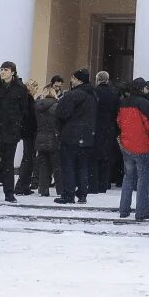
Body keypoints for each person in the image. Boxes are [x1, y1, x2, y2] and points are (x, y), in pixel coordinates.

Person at [0, 61, 33, 204]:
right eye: (2, 69)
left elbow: (24, 110)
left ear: (13, 72)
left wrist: (19, 128)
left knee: (8, 163)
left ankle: (9, 193)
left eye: (6, 70)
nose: (3, 72)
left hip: (11, 131)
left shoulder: (20, 88)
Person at [117, 78, 149, 220]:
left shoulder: (123, 102)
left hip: (126, 144)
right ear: (142, 88)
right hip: (142, 144)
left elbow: (118, 121)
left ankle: (124, 210)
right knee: (144, 179)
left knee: (128, 177)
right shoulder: (145, 103)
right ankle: (142, 211)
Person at [54, 68, 96, 204]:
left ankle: (68, 194)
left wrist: (60, 129)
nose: (71, 80)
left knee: (69, 166)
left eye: (72, 78)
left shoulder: (74, 95)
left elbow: (62, 113)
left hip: (71, 136)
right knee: (83, 167)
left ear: (78, 80)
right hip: (87, 136)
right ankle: (82, 194)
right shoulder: (93, 95)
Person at [91, 71, 119, 195]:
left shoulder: (93, 93)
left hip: (95, 128)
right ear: (107, 80)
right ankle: (104, 183)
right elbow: (116, 112)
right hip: (109, 127)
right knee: (106, 157)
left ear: (97, 79)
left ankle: (94, 183)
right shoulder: (113, 94)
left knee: (95, 157)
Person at [33, 79, 60, 197]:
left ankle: (43, 189)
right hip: (53, 137)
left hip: (40, 137)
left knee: (43, 165)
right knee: (57, 165)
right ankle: (61, 188)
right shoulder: (56, 106)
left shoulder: (37, 106)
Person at [13, 79, 39, 195]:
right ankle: (21, 185)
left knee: (28, 158)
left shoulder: (26, 99)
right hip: (30, 132)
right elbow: (29, 117)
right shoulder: (28, 100)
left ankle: (23, 185)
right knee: (28, 158)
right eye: (35, 87)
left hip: (28, 132)